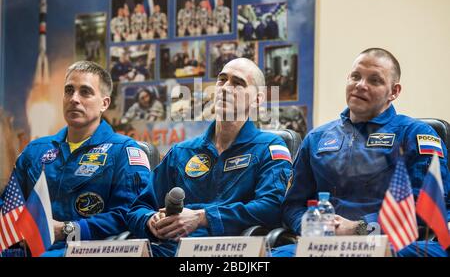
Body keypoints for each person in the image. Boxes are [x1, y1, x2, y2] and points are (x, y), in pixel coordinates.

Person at [275, 48, 449, 257]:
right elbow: (292, 205)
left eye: (374, 80)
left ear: (394, 91)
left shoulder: (415, 134)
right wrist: (310, 226)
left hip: (392, 243)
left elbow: (427, 207)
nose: (360, 85)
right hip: (324, 246)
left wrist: (361, 227)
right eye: (355, 76)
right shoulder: (317, 138)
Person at [127, 58, 292, 257]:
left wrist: (202, 218)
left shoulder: (270, 147)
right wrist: (149, 220)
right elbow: (138, 208)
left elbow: (271, 208)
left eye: (237, 83)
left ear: (258, 99)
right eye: (222, 80)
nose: (225, 88)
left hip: (233, 252)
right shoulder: (182, 151)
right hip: (173, 250)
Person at [1, 61, 151, 256]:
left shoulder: (123, 151)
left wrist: (66, 229)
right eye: (69, 90)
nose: (74, 99)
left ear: (104, 103)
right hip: (27, 249)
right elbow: (8, 206)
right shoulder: (35, 151)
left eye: (85, 92)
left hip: (85, 250)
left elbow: (131, 214)